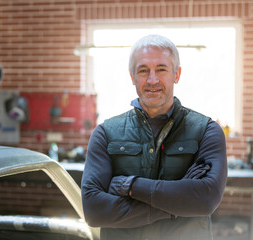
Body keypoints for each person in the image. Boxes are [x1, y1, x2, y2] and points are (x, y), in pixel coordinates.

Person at [81, 34, 227, 240]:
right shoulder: (105, 133)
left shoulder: (207, 131)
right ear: (132, 77)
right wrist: (177, 206)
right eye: (143, 71)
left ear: (177, 74)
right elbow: (94, 210)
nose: (152, 80)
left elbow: (206, 199)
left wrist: (130, 186)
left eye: (161, 69)